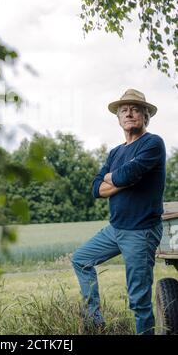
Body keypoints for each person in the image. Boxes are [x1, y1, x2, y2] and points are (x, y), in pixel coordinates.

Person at [71, 88, 166, 335]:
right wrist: (121, 179)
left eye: (135, 109)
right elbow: (95, 188)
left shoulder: (153, 143)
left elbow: (127, 175)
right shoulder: (116, 152)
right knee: (81, 259)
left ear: (146, 116)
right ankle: (95, 320)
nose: (129, 113)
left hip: (141, 231)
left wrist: (115, 178)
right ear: (119, 118)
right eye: (124, 110)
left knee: (139, 301)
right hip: (116, 229)